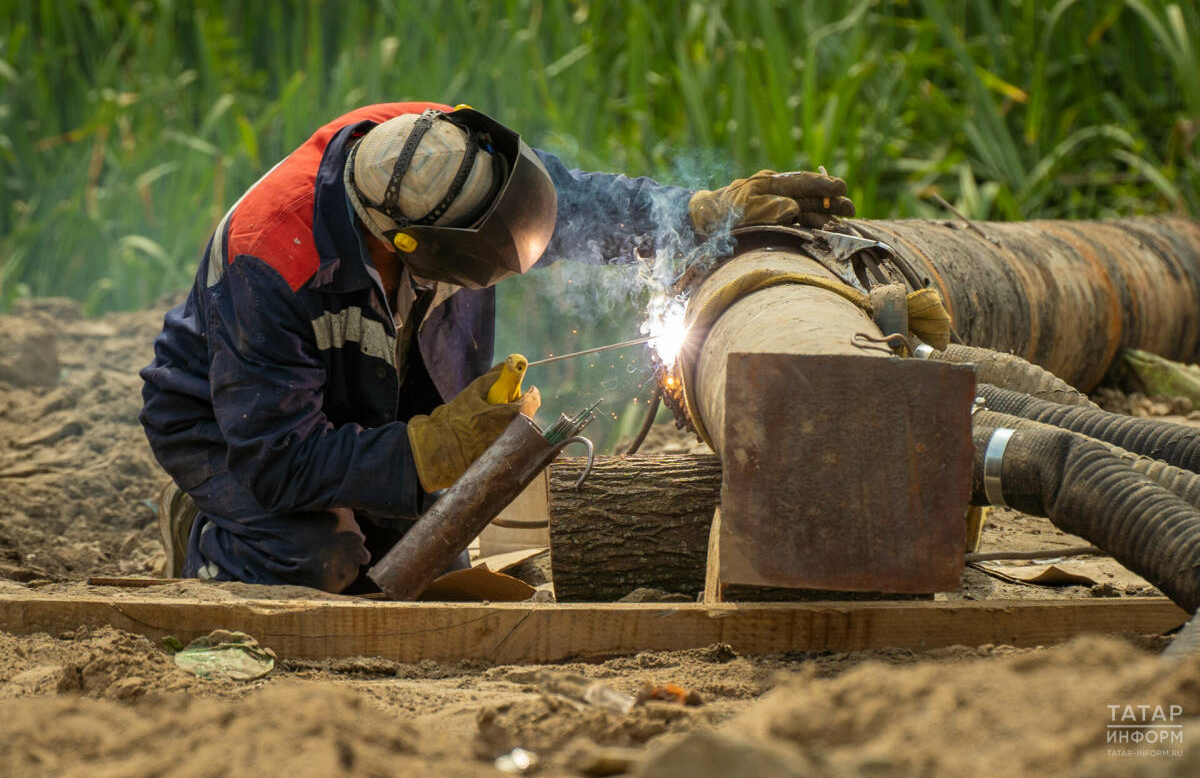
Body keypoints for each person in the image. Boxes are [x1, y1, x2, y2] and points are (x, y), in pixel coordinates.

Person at [139, 101, 854, 592]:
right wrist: (429, 449)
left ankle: (368, 500)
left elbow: (565, 204)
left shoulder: (441, 148)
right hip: (230, 428)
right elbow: (276, 456)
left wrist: (692, 216)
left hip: (369, 398)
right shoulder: (274, 263)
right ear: (408, 247)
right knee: (320, 563)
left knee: (427, 568)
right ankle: (206, 533)